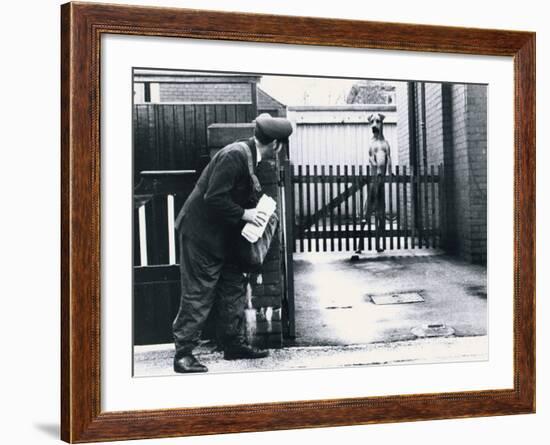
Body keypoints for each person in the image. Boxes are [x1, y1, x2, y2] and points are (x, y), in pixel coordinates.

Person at [172, 113, 293, 373]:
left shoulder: (249, 156)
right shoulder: (235, 156)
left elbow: (234, 192)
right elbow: (213, 197)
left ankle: (233, 344)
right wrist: (245, 214)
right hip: (201, 237)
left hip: (222, 237)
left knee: (233, 287)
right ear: (276, 145)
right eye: (283, 147)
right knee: (199, 292)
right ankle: (183, 354)